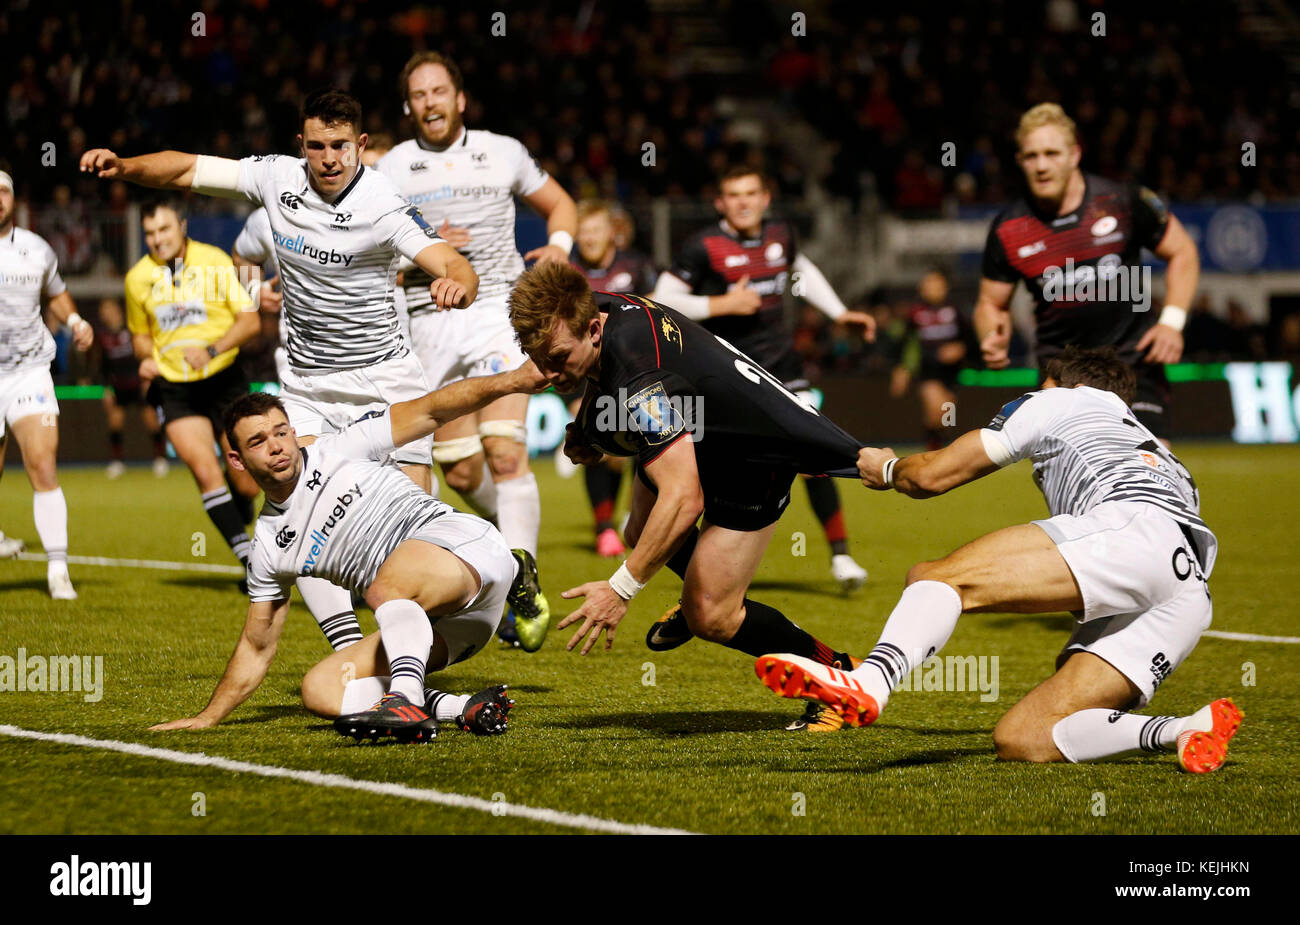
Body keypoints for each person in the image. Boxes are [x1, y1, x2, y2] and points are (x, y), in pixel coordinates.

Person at [81, 86, 478, 641]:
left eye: (341, 145)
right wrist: (124, 166)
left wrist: (455, 285)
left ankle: (487, 585)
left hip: (384, 378)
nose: (329, 158)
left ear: (360, 144)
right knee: (300, 511)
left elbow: (455, 263)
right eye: (317, 146)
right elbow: (184, 171)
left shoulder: (384, 204)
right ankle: (347, 653)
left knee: (408, 536)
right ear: (301, 145)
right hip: (308, 383)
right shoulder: (276, 178)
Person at [756, 347, 1243, 774]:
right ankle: (1185, 728)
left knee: (935, 578)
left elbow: (934, 475)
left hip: (1133, 532)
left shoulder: (1059, 398)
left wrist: (885, 468)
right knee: (1027, 735)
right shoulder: (1164, 456)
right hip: (1189, 592)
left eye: (1042, 383)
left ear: (1064, 383)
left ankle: (869, 682)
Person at [507, 262, 863, 727]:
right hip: (702, 430)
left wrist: (620, 590)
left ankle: (840, 677)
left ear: (593, 329)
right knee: (639, 527)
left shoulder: (640, 381)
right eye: (539, 360)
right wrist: (592, 432)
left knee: (712, 615)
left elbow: (683, 499)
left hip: (750, 454)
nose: (548, 374)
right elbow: (603, 373)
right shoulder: (596, 308)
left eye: (556, 358)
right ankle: (700, 581)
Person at [148, 359, 550, 741]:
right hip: (458, 628)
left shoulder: (340, 446)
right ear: (236, 460)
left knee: (384, 586)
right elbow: (257, 645)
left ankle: (406, 699)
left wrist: (511, 381)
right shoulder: (269, 547)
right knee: (322, 690)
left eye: (281, 432)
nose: (276, 446)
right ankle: (457, 707)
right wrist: (207, 716)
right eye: (258, 441)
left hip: (465, 548)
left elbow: (431, 410)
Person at [377, 51, 577, 650]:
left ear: (460, 99)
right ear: (408, 106)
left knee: (504, 450)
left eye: (440, 91)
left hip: (498, 315)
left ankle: (521, 582)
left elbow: (561, 205)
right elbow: (372, 248)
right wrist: (423, 253)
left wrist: (560, 246)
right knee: (462, 469)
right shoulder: (392, 167)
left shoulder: (504, 151)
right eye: (419, 95)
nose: (430, 102)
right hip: (428, 327)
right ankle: (495, 544)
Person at [652, 166, 875, 593]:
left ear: (765, 197)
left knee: (813, 460)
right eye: (733, 194)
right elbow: (661, 300)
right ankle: (700, 571)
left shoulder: (780, 234)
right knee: (712, 472)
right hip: (726, 376)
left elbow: (800, 272)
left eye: (751, 193)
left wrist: (839, 312)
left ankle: (842, 556)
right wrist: (722, 304)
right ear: (720, 203)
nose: (743, 202)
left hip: (783, 370)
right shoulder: (702, 246)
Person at [974, 103, 1201, 445]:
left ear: (1074, 154)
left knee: (1148, 470)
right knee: (1071, 485)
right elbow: (990, 303)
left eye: (1051, 153)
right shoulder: (1009, 228)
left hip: (1132, 366)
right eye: (1031, 156)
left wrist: (1171, 321)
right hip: (1060, 375)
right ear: (1020, 161)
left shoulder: (1122, 200)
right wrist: (990, 335)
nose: (1042, 165)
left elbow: (1183, 251)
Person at [123, 197, 262, 578]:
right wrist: (145, 357)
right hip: (174, 387)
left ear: (182, 227)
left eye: (164, 229)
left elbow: (250, 322)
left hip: (224, 379)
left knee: (248, 485)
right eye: (149, 233)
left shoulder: (215, 260)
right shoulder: (137, 278)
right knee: (204, 471)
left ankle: (241, 502)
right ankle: (250, 563)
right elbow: (139, 336)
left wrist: (212, 349)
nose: (157, 239)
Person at [0, 167, 92, 597]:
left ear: (13, 200)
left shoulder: (36, 249)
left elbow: (55, 292)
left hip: (29, 372)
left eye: (3, 191)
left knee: (42, 463)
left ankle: (58, 569)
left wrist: (74, 320)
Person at [567, 198, 659, 557]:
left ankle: (634, 519)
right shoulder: (569, 274)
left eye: (595, 230)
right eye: (583, 232)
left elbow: (660, 303)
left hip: (639, 369)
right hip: (590, 376)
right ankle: (604, 526)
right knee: (604, 448)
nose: (589, 238)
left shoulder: (637, 265)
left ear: (612, 233)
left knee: (645, 447)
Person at [889, 270, 970, 449]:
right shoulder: (916, 312)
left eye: (938, 285)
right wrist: (901, 369)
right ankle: (933, 449)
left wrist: (960, 349)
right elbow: (903, 343)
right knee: (936, 409)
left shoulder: (955, 310)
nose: (934, 289)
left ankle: (938, 445)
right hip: (928, 370)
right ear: (922, 288)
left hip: (952, 372)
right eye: (929, 285)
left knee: (947, 416)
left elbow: (970, 339)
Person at [92, 297, 168, 479]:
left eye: (109, 309)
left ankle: (160, 459)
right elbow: (102, 364)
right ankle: (117, 462)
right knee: (115, 422)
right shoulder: (102, 336)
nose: (106, 314)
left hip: (139, 381)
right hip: (118, 384)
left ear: (117, 310)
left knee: (151, 420)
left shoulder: (132, 329)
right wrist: (106, 388)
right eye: (103, 311)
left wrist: (148, 379)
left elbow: (145, 352)